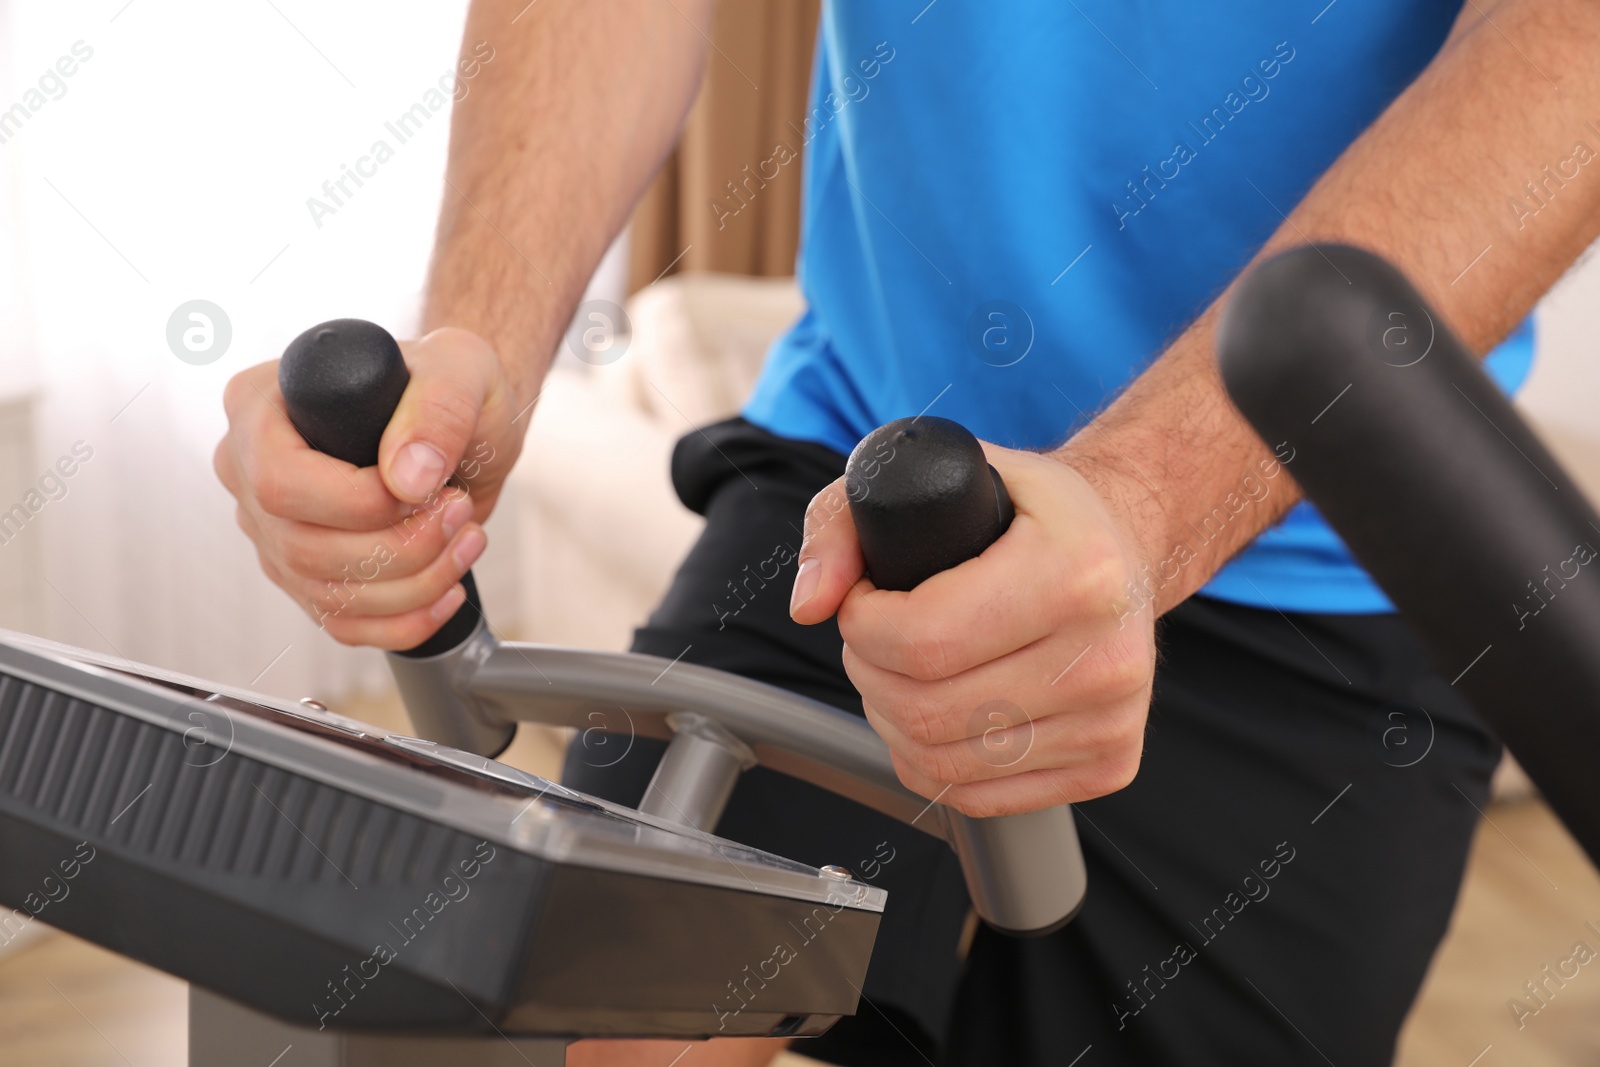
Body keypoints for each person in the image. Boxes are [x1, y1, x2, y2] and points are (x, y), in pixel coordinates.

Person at [215, 1, 1600, 1063]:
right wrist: (477, 345)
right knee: (608, 1029)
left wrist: (1149, 498)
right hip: (861, 487)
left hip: (1328, 557)